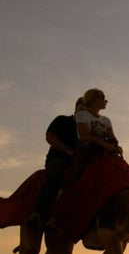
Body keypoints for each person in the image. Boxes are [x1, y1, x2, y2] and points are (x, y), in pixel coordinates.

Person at [24, 97, 84, 230]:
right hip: (60, 158)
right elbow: (50, 137)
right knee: (56, 173)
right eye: (83, 107)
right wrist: (68, 151)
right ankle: (38, 214)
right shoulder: (63, 120)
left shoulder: (90, 127)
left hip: (81, 162)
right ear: (77, 106)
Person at [75, 88, 122, 157]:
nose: (106, 101)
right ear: (94, 100)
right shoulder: (81, 114)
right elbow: (84, 136)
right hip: (88, 152)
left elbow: (112, 138)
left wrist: (117, 147)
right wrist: (102, 143)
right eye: (103, 98)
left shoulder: (106, 120)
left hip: (105, 151)